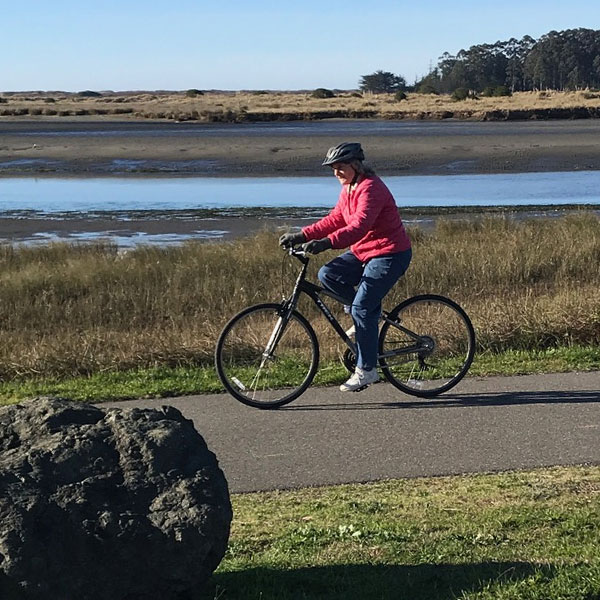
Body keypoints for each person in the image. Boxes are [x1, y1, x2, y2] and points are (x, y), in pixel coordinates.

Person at [279, 142, 412, 392]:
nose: (336, 173)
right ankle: (367, 314)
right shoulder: (350, 188)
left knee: (362, 306)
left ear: (356, 166)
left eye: (340, 167)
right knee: (328, 274)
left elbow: (359, 227)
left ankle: (367, 370)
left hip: (390, 253)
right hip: (364, 252)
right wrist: (302, 235)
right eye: (333, 169)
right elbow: (336, 219)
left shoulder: (371, 188)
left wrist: (327, 243)